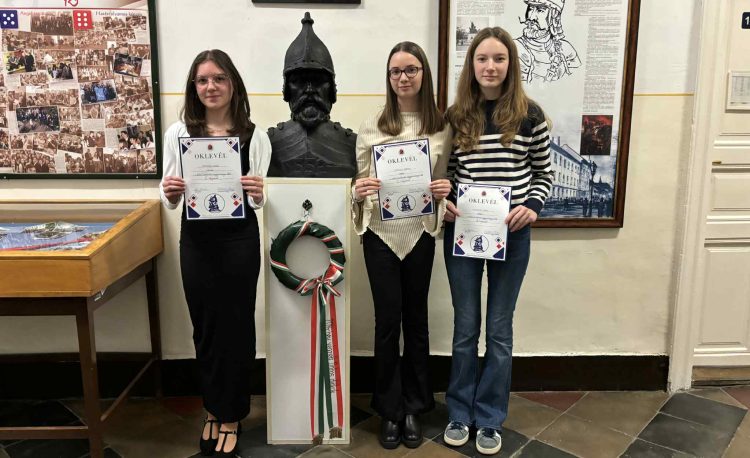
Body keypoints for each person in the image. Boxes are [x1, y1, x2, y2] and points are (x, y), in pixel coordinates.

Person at [441, 27, 553, 455]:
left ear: (511, 65)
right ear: (471, 65)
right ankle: (459, 412)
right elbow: (449, 174)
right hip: (465, 233)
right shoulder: (456, 116)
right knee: (465, 328)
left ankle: (489, 418)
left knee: (500, 331)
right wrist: (447, 200)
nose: (490, 66)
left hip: (512, 233)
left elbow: (543, 172)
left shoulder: (530, 115)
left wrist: (533, 206)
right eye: (482, 58)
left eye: (499, 59)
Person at [160, 49, 271, 457]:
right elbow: (168, 194)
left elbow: (261, 199)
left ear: (233, 84)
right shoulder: (178, 134)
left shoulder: (254, 135)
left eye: (219, 78)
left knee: (237, 326)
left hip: (239, 241)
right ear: (194, 87)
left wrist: (259, 192)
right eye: (203, 80)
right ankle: (212, 406)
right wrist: (169, 191)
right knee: (205, 326)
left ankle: (231, 414)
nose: (211, 87)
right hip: (197, 242)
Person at [352, 41, 452, 450]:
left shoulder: (441, 126)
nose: (403, 78)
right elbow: (358, 183)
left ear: (424, 73)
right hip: (380, 234)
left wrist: (444, 190)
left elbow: (445, 179)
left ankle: (414, 406)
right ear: (388, 77)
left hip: (421, 232)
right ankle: (389, 410)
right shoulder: (372, 124)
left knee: (416, 320)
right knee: (387, 323)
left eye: (411, 69)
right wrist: (359, 189)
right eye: (396, 71)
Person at [267, 12, 356, 178]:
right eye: (299, 81)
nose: (309, 90)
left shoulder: (352, 145)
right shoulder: (268, 144)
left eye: (318, 81)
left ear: (332, 89)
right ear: (287, 90)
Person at [514, 0, 581, 82]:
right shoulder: (514, 48)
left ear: (554, 16)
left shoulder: (566, 49)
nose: (531, 17)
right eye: (530, 9)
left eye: (540, 10)